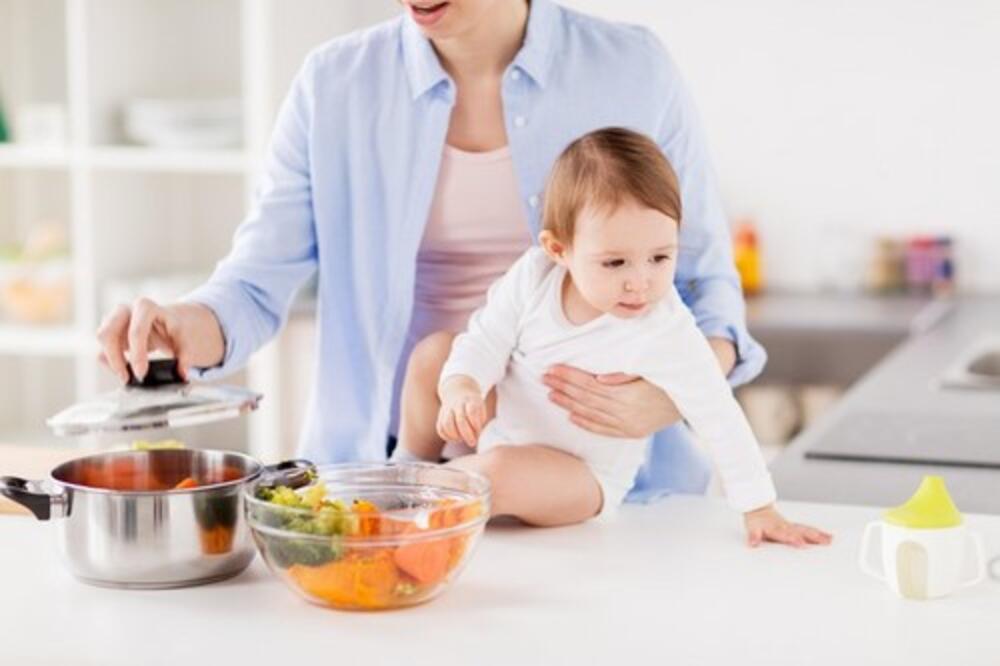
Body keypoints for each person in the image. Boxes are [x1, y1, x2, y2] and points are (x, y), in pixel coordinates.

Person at [96, 0, 773, 527]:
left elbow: (710, 289)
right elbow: (251, 284)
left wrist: (666, 397)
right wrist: (185, 322)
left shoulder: (631, 68)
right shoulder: (335, 84)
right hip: (389, 478)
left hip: (608, 491)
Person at [392, 127, 832, 546]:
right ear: (559, 250)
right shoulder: (534, 276)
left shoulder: (664, 327)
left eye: (660, 257)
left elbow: (718, 413)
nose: (640, 282)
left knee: (500, 472)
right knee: (436, 355)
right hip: (499, 433)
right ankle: (404, 470)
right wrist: (463, 386)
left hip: (581, 479)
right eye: (615, 263)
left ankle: (407, 503)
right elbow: (483, 341)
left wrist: (759, 506)